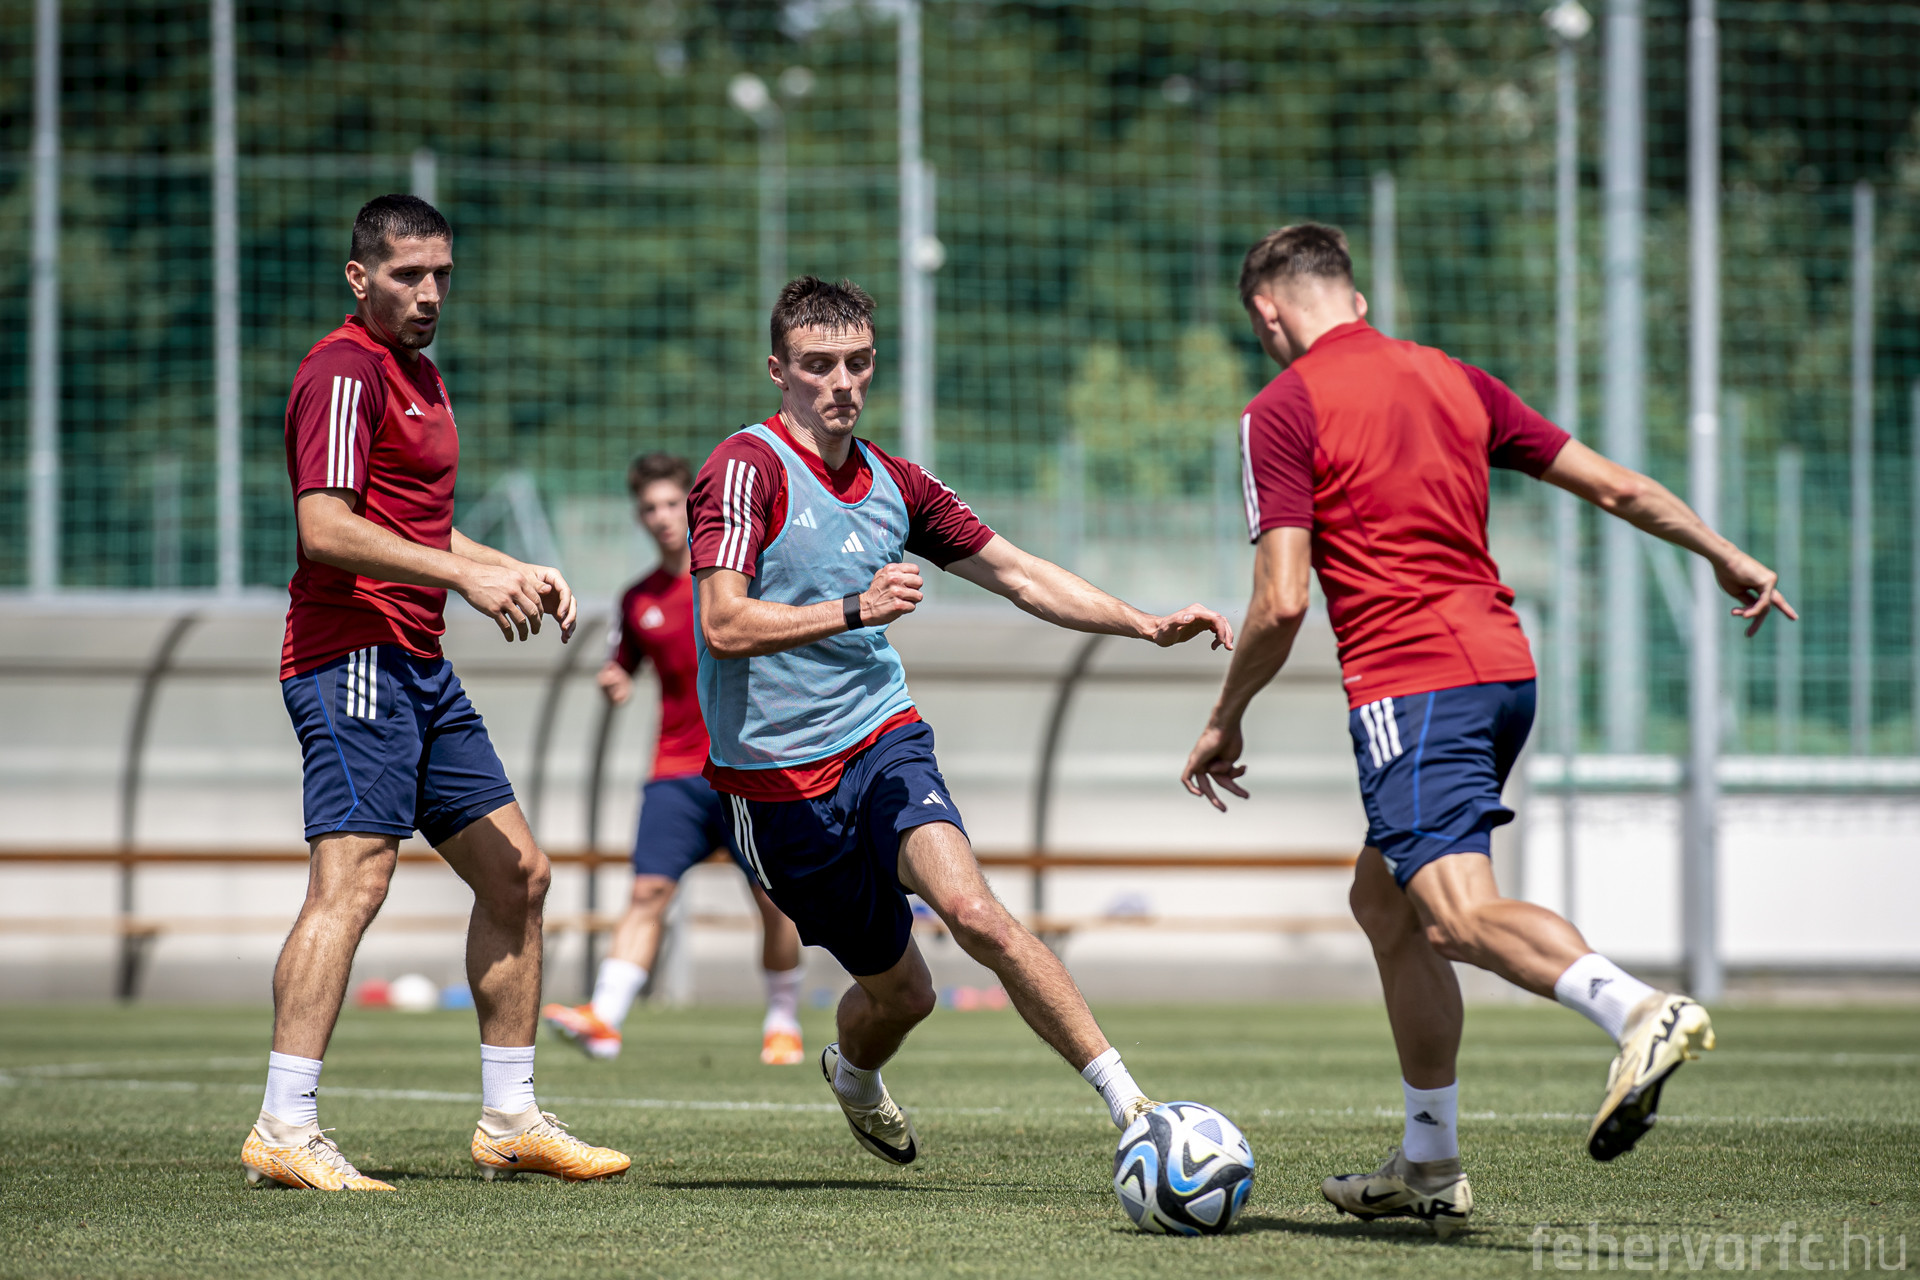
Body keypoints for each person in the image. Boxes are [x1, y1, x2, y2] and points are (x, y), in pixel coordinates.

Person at [1181, 223, 1795, 1236]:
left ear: (1266, 312)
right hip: (1503, 672)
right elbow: (1617, 485)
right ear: (1358, 301)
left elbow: (1282, 600)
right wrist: (1721, 550)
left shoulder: (1282, 408)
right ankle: (1427, 1164)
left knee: (1458, 916)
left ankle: (1638, 1009)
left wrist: (1224, 716)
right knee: (1385, 901)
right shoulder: (1456, 378)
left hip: (1411, 684)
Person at [688, 275, 1234, 1165]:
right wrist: (857, 609)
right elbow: (723, 623)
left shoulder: (897, 483)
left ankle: (1134, 1109)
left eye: (858, 363)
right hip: (776, 786)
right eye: (819, 365)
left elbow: (1018, 573)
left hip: (881, 739)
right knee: (905, 995)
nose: (842, 384)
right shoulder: (745, 469)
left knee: (976, 912)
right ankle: (854, 1076)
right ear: (778, 372)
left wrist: (1142, 622)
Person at [245, 194, 629, 1191]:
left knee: (519, 876)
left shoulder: (420, 375)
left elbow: (418, 525)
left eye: (441, 275)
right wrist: (466, 579)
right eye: (407, 274)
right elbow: (326, 527)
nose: (428, 293)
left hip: (416, 662)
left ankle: (510, 1119)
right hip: (352, 655)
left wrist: (509, 566)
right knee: (353, 884)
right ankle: (284, 1124)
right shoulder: (343, 371)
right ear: (359, 276)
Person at [543, 453, 809, 1066]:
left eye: (671, 504)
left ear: (692, 505)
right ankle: (604, 1019)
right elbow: (622, 663)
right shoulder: (637, 599)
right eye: (649, 508)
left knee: (774, 902)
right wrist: (614, 679)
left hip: (749, 768)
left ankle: (782, 1021)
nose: (662, 517)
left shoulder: (738, 578)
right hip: (677, 772)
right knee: (648, 891)